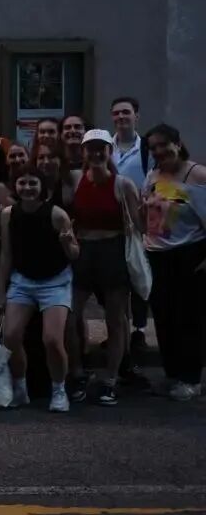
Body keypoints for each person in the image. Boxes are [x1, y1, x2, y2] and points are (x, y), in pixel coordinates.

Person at [64, 130, 143, 406]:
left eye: (102, 148)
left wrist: (149, 212)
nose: (96, 154)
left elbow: (138, 226)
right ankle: (77, 372)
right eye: (91, 148)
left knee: (115, 319)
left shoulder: (123, 185)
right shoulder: (75, 180)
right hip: (83, 251)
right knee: (69, 315)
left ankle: (110, 379)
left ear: (110, 152)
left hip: (113, 252)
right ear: (83, 152)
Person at [0, 164, 79, 412]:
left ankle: (59, 390)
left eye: (33, 183)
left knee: (52, 340)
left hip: (55, 281)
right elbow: (6, 254)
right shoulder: (8, 214)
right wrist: (1, 292)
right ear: (15, 186)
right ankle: (20, 388)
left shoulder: (57, 214)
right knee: (11, 336)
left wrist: (67, 243)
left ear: (42, 187)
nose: (27, 188)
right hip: (22, 280)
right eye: (22, 182)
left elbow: (74, 254)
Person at [142, 123, 206, 401]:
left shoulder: (198, 176)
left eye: (163, 145)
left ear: (177, 144)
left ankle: (191, 380)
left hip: (189, 255)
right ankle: (172, 375)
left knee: (189, 319)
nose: (158, 151)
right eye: (153, 147)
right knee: (164, 318)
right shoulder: (153, 175)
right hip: (157, 256)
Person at [111, 96, 152, 352]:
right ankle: (119, 328)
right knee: (116, 280)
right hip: (112, 222)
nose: (121, 117)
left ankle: (139, 329)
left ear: (136, 116)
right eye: (116, 113)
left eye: (126, 112)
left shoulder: (147, 148)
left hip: (139, 223)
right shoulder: (106, 147)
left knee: (138, 274)